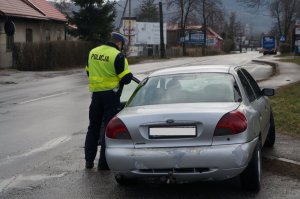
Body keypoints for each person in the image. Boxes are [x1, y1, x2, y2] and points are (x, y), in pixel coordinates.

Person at [84, 32, 133, 170]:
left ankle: (89, 161)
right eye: (122, 45)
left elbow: (88, 71)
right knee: (107, 129)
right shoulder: (118, 56)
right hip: (111, 96)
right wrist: (129, 75)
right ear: (119, 43)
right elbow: (125, 79)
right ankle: (103, 164)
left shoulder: (93, 52)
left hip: (96, 96)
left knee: (93, 128)